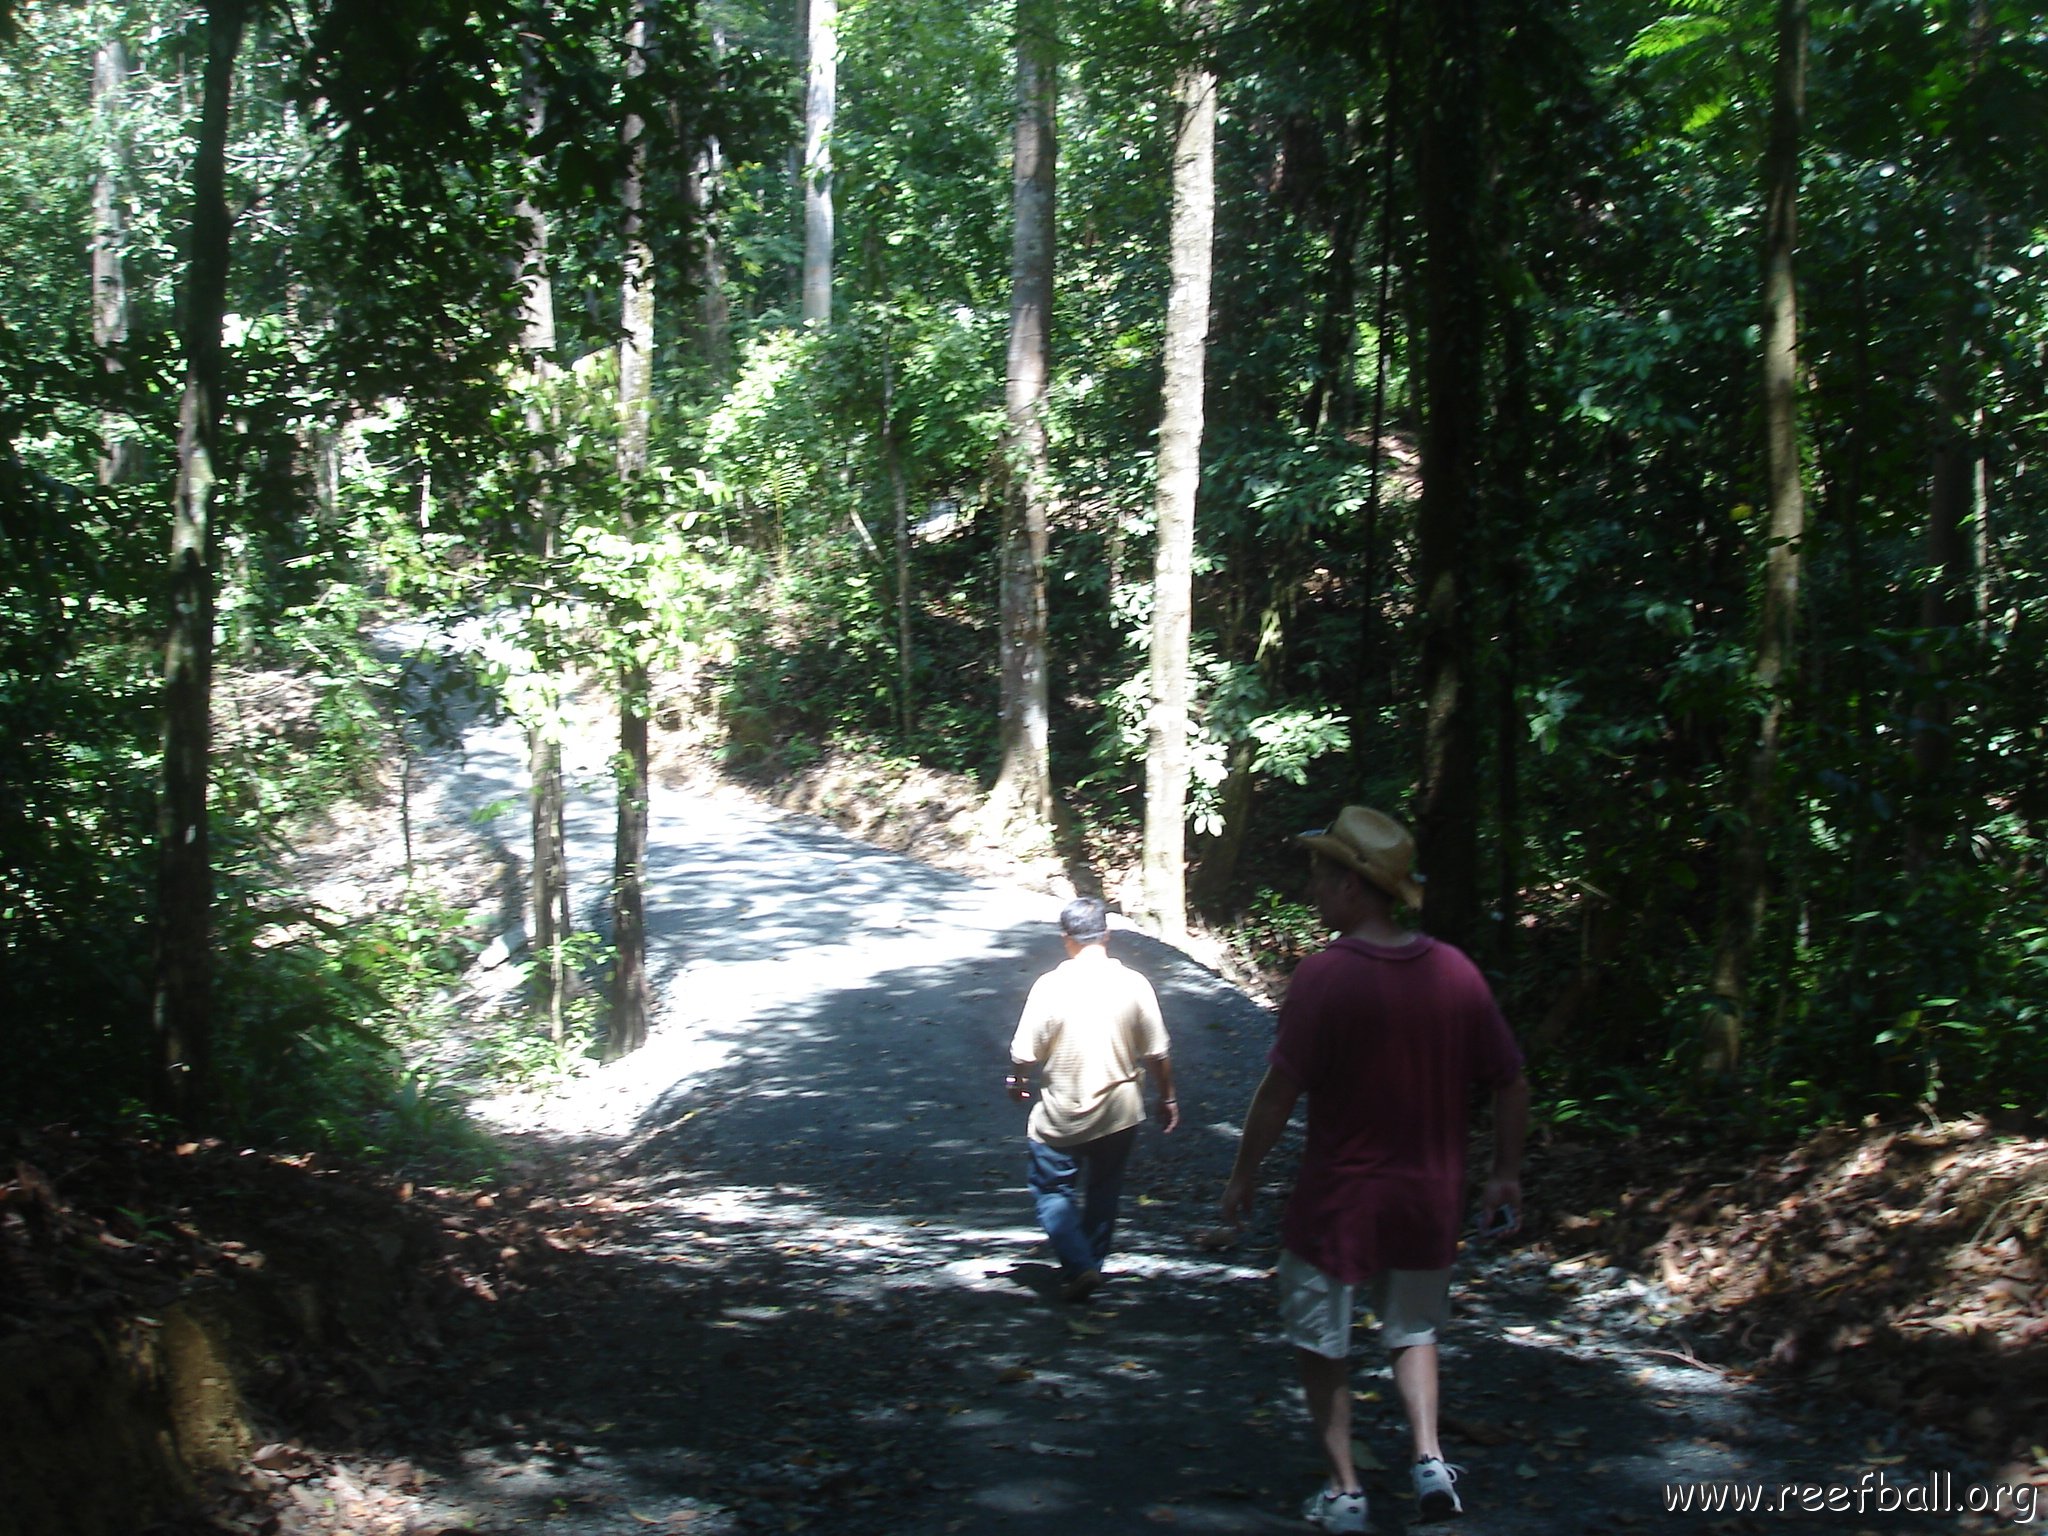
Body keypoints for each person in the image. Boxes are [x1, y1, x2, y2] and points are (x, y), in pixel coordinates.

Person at [1220, 807, 1527, 1531]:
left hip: (1340, 1199)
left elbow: (1279, 1091)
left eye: (1323, 876)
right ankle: (1428, 1461)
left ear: (1354, 886)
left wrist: (1243, 1173)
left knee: (1319, 1339)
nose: (1315, 889)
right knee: (1414, 1329)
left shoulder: (1325, 978)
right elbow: (1511, 1078)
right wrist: (1505, 1171)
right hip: (1430, 1197)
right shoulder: (1456, 972)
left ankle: (1346, 1490)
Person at [1006, 896, 1179, 1302]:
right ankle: (1090, 1266)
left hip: (1063, 1114)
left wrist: (1018, 1082)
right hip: (1120, 1113)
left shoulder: (1050, 986)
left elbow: (1024, 1054)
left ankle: (1080, 1266)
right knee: (1105, 1190)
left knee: (1051, 1191)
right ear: (1108, 934)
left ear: (1066, 940)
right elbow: (1157, 1052)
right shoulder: (1135, 984)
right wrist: (1168, 1098)